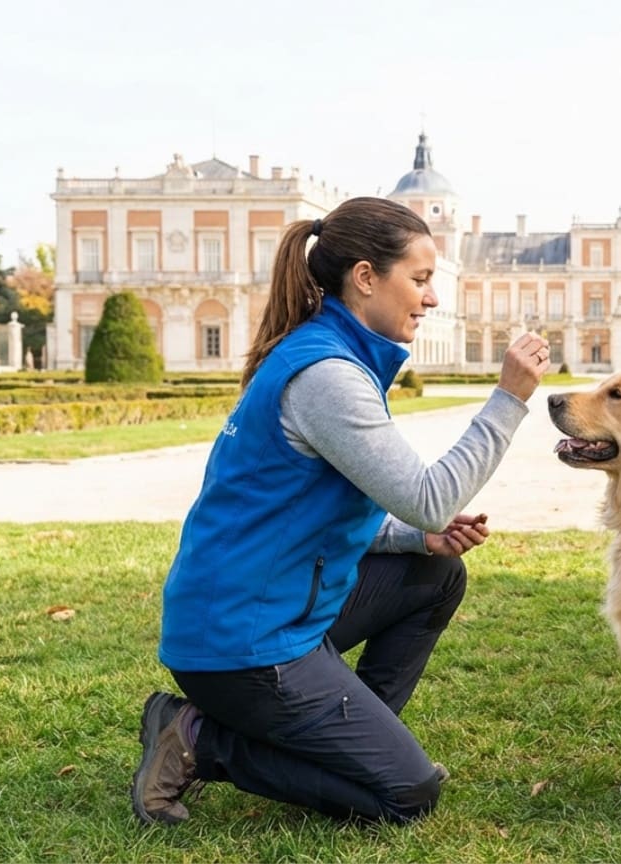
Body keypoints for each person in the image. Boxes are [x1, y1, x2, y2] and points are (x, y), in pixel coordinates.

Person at [130, 196, 554, 826]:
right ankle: (196, 736)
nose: (432, 297)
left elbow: (317, 517)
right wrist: (508, 398)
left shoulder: (333, 354)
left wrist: (418, 539)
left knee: (435, 575)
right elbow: (430, 497)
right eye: (419, 279)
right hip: (243, 643)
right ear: (364, 278)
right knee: (405, 796)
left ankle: (355, 748)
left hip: (272, 614)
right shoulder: (328, 375)